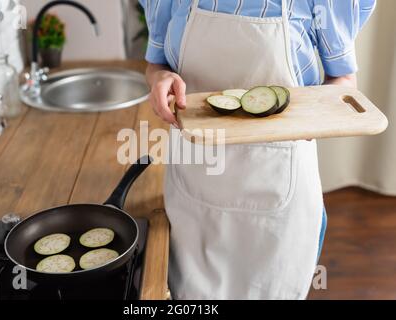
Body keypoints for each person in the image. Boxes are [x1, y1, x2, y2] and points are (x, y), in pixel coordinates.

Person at [140, 0, 376, 300]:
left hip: (279, 193)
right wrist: (160, 78)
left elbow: (343, 81)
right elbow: (155, 65)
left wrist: (315, 117)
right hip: (193, 187)